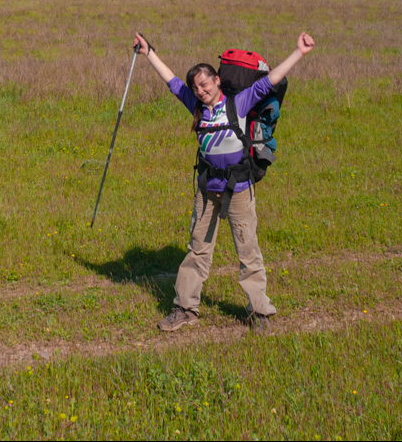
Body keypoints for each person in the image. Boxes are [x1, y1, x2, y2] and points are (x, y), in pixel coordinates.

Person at [133, 30, 315, 333]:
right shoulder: (197, 107)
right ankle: (185, 308)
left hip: (239, 190)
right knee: (197, 250)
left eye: (205, 84)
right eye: (196, 87)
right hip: (207, 189)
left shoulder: (239, 103)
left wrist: (299, 52)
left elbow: (269, 82)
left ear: (217, 80)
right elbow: (172, 83)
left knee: (248, 251)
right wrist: (149, 52)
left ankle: (260, 313)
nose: (200, 90)